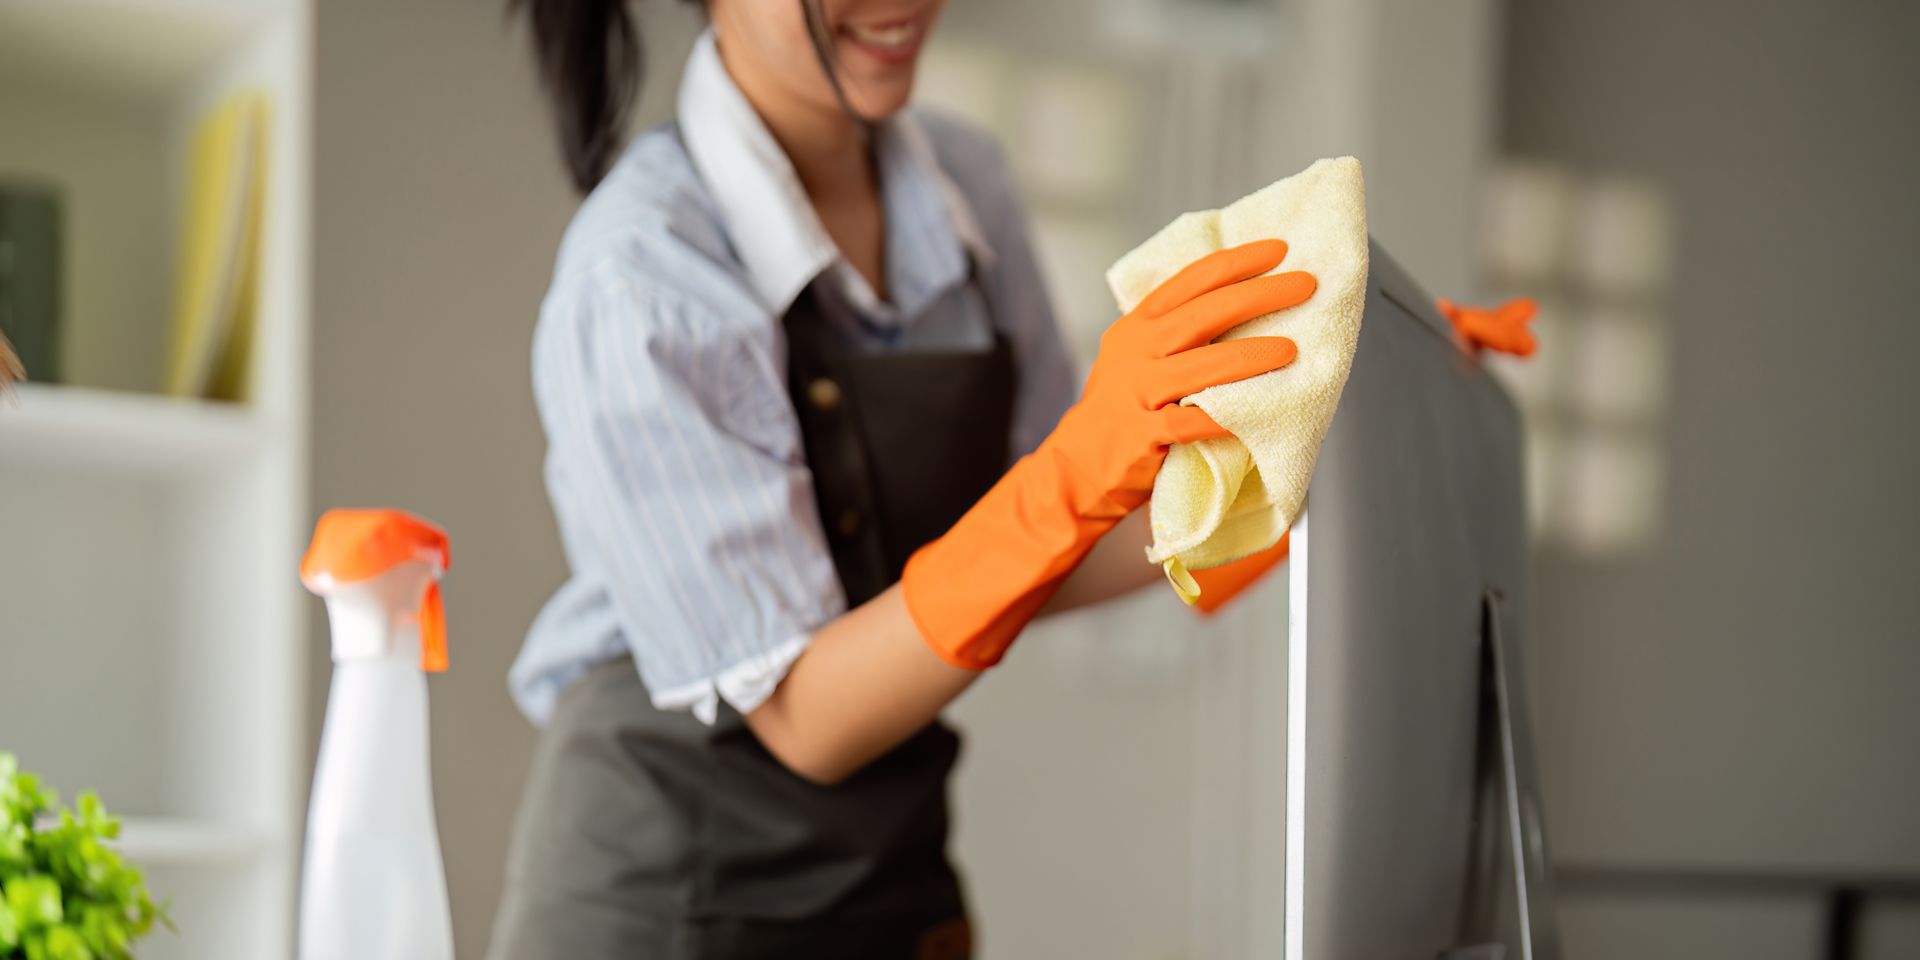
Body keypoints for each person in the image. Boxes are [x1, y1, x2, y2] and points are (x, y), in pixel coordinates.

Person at [488, 1, 1311, 956]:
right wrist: (1080, 473)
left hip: (894, 871)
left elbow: (1045, 551)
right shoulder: (640, 274)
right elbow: (806, 716)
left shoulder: (966, 181)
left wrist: (1312, 439)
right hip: (672, 899)